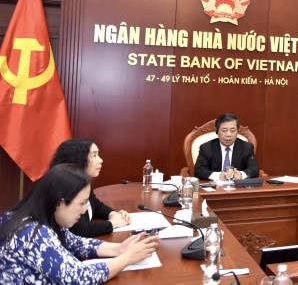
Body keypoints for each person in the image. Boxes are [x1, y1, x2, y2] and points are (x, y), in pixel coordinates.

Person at [0, 164, 159, 284]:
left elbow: (75, 243)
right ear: (60, 203)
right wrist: (127, 258)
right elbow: (76, 277)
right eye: (82, 203)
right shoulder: (31, 233)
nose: (84, 211)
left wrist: (119, 248)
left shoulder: (40, 216)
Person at [50, 139, 131, 237]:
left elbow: (95, 205)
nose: (101, 160)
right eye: (94, 155)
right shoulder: (66, 188)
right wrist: (113, 223)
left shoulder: (82, 183)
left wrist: (112, 214)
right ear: (79, 159)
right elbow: (80, 230)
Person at [194, 113, 260, 180]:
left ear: (237, 131)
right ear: (217, 131)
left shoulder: (247, 147)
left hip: (238, 185)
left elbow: (254, 169)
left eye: (233, 130)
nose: (228, 134)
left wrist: (240, 175)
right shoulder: (206, 148)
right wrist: (219, 176)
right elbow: (199, 171)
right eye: (224, 130)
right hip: (215, 185)